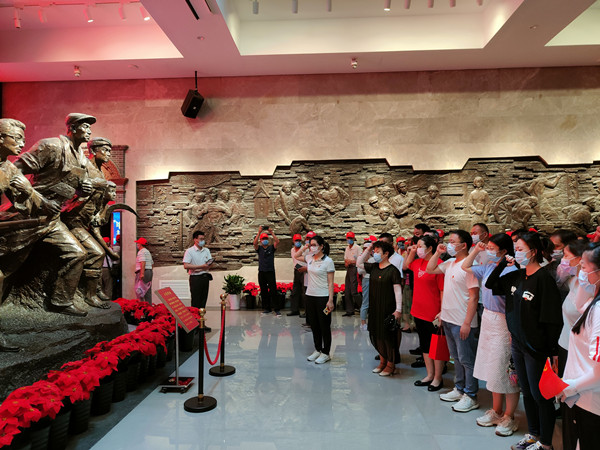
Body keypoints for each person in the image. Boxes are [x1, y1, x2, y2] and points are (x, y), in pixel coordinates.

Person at [485, 232, 562, 450]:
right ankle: (533, 434)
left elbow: (552, 318)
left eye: (520, 249)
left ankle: (545, 443)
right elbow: (491, 284)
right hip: (518, 343)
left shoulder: (544, 279)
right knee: (527, 392)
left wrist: (551, 351)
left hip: (536, 347)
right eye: (515, 249)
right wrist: (503, 263)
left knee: (541, 395)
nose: (516, 253)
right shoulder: (517, 276)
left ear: (533, 252)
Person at [461, 234, 520, 437]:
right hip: (488, 318)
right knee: (492, 369)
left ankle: (509, 416)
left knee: (505, 369)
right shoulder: (488, 266)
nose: (489, 250)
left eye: (492, 248)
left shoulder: (512, 270)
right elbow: (465, 266)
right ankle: (496, 410)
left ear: (504, 251)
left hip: (504, 321)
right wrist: (476, 250)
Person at [426, 230, 480, 413]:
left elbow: (474, 297)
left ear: (463, 245)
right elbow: (430, 269)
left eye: (452, 241)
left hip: (462, 320)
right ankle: (460, 388)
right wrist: (437, 253)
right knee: (456, 357)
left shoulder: (469, 266)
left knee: (467, 359)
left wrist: (467, 322)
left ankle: (471, 395)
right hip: (448, 319)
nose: (449, 244)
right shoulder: (450, 263)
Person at [559, 243, 600, 450]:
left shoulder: (599, 311)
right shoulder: (592, 303)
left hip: (591, 400)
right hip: (580, 395)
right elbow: (578, 304)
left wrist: (570, 386)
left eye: (583, 267)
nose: (580, 272)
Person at [403, 235, 445, 391]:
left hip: (433, 312)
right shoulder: (417, 263)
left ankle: (438, 378)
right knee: (425, 345)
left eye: (420, 246)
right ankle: (429, 374)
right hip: (418, 310)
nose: (418, 248)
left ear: (430, 248)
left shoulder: (438, 266)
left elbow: (442, 290)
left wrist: (442, 311)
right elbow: (406, 266)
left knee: (436, 347)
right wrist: (412, 252)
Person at [358, 240, 403, 376]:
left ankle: (390, 364)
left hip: (387, 308)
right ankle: (382, 362)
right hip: (375, 307)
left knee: (387, 337)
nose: (375, 253)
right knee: (376, 334)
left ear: (386, 254)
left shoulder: (393, 271)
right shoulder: (374, 267)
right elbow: (358, 263)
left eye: (378, 251)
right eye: (374, 251)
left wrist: (398, 309)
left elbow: (397, 291)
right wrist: (368, 249)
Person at [298, 235, 335, 364]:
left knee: (324, 325)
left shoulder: (328, 261)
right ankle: (318, 349)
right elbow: (296, 256)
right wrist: (304, 247)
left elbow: (331, 283)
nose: (312, 247)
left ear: (321, 246)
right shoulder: (309, 258)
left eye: (314, 245)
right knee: (314, 325)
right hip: (310, 296)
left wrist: (330, 300)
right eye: (311, 245)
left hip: (323, 297)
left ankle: (326, 352)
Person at [183, 230, 213, 332]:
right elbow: (186, 265)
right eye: (200, 239)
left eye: (203, 239)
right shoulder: (190, 251)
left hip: (205, 277)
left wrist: (208, 265)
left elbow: (209, 263)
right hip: (195, 278)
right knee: (196, 302)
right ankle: (195, 325)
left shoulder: (206, 250)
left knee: (203, 301)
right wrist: (201, 267)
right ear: (195, 239)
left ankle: (202, 324)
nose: (202, 241)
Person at [253, 225, 281, 316]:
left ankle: (276, 309)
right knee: (264, 291)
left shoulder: (271, 248)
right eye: (263, 239)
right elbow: (254, 243)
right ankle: (267, 309)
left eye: (266, 238)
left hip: (270, 272)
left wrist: (271, 232)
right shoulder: (259, 248)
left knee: (273, 291)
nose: (265, 240)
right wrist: (259, 232)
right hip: (262, 272)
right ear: (261, 240)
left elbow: (277, 241)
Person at [358, 236, 377, 331]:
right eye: (365, 248)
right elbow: (359, 271)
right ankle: (363, 322)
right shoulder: (361, 258)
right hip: (366, 280)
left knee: (374, 302)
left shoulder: (375, 259)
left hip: (375, 280)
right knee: (365, 302)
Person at [343, 231, 361, 317]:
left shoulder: (357, 248)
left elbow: (360, 260)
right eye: (348, 238)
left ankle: (363, 307)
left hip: (355, 269)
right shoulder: (347, 248)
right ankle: (349, 310)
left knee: (354, 291)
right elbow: (345, 259)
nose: (349, 240)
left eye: (350, 238)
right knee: (347, 290)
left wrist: (352, 262)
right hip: (348, 269)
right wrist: (347, 262)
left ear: (354, 238)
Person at [288, 233, 305, 316]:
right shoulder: (292, 250)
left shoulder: (305, 249)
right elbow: (295, 261)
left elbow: (305, 261)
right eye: (296, 240)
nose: (298, 242)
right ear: (293, 241)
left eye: (299, 240)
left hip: (304, 271)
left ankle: (307, 311)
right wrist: (298, 268)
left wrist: (302, 268)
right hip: (297, 271)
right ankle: (295, 310)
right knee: (295, 291)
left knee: (304, 292)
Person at [134, 237, 153, 303]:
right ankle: (149, 307)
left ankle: (142, 307)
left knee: (140, 291)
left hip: (143, 271)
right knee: (147, 291)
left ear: (140, 244)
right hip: (149, 271)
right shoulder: (147, 251)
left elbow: (143, 262)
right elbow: (152, 263)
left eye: (138, 243)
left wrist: (142, 273)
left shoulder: (141, 252)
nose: (137, 244)